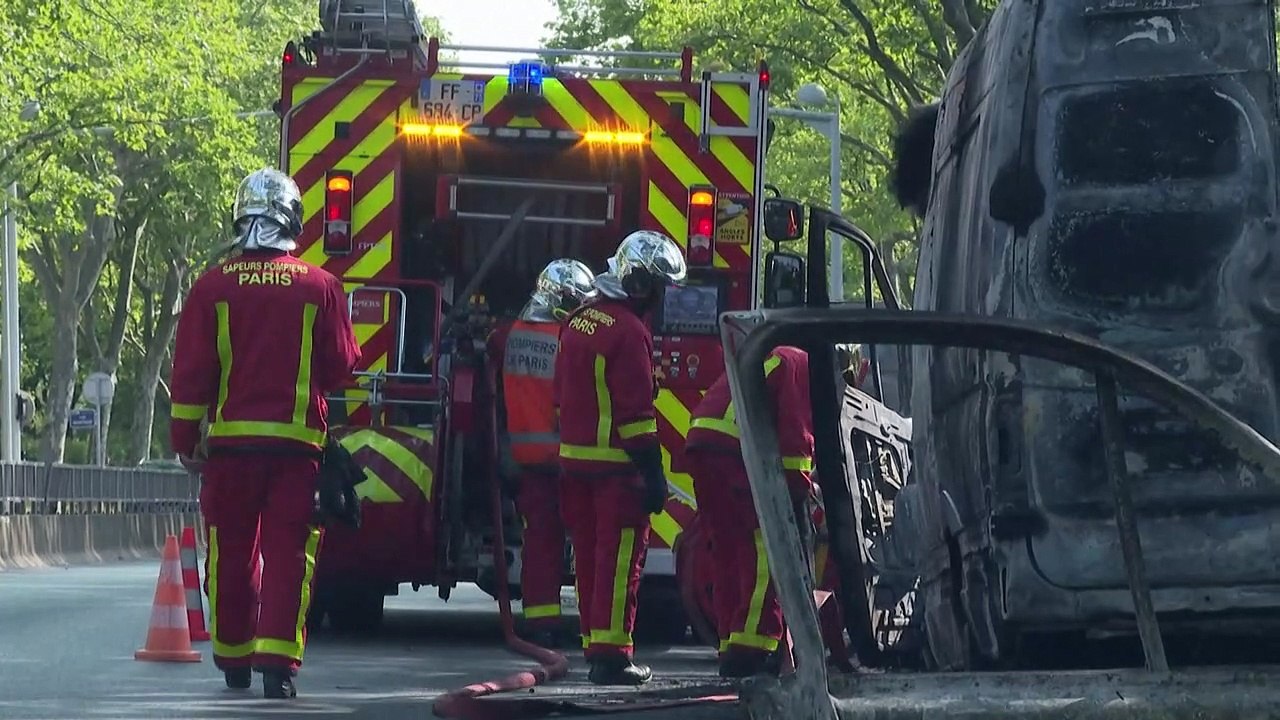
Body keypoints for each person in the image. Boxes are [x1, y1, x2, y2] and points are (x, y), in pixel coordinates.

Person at [169, 167, 360, 700]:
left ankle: (234, 660)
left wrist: (184, 442)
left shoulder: (211, 287)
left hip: (230, 451)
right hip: (297, 452)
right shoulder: (321, 287)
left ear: (240, 216)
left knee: (230, 553)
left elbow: (191, 376)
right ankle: (277, 667)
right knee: (289, 556)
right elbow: (341, 366)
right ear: (292, 219)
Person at [554, 230, 687, 685]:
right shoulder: (630, 332)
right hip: (616, 472)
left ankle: (595, 645)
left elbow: (561, 396)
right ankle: (612, 655)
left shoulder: (579, 319)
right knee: (619, 562)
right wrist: (653, 473)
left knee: (590, 559)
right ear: (641, 284)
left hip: (574, 466)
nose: (661, 298)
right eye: (659, 288)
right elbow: (635, 417)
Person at [684, 345, 815, 678]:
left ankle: (731, 642)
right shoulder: (800, 362)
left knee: (726, 548)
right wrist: (798, 489)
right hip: (734, 451)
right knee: (764, 546)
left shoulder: (768, 350)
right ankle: (753, 648)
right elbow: (795, 432)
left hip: (702, 444)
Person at [491, 258, 597, 647]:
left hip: (524, 459)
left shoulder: (511, 334)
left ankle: (541, 620)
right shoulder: (569, 340)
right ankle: (595, 624)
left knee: (539, 540)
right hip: (566, 455)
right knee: (590, 540)